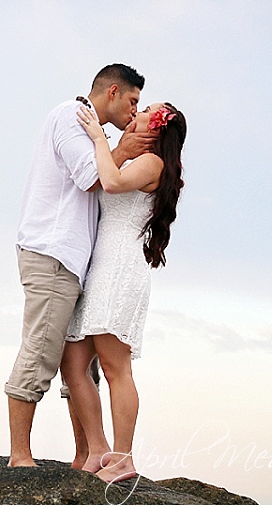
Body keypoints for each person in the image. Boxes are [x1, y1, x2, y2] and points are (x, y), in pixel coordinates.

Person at [5, 64, 156, 468]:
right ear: (112, 91)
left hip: (78, 265)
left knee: (80, 366)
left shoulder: (97, 134)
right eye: (133, 101)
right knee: (40, 353)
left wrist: (112, 146)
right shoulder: (71, 118)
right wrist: (120, 148)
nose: (134, 111)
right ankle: (20, 457)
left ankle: (86, 454)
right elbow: (92, 177)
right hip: (52, 253)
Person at [60, 101, 187, 483]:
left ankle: (123, 458)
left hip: (119, 271)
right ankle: (98, 448)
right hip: (102, 268)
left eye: (147, 110)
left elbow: (111, 182)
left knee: (117, 370)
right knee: (72, 364)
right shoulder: (138, 159)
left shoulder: (153, 165)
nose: (139, 111)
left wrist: (99, 137)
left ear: (159, 128)